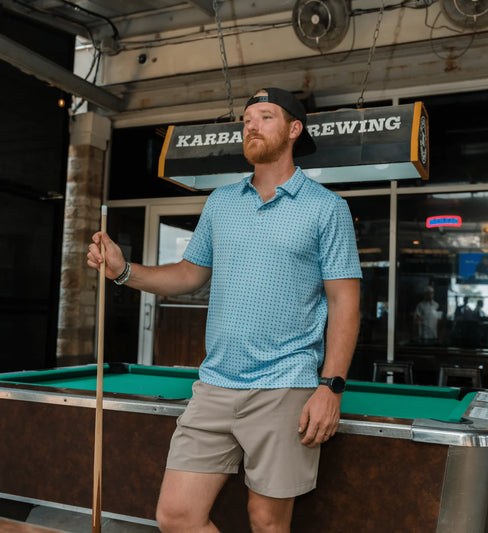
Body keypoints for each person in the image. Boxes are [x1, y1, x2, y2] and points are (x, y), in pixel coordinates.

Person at [87, 87, 362, 533]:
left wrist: (331, 387)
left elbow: (344, 302)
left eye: (265, 116)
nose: (251, 125)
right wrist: (123, 272)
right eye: (247, 119)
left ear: (294, 129)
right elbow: (188, 274)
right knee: (176, 516)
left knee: (267, 523)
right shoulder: (221, 202)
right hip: (214, 385)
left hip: (284, 385)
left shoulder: (326, 208)